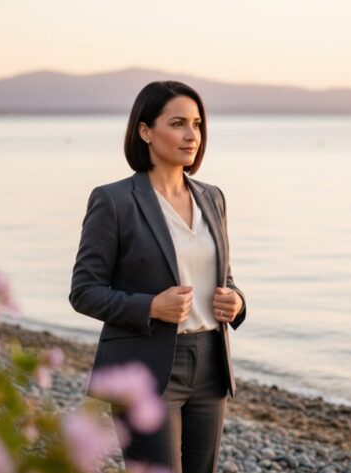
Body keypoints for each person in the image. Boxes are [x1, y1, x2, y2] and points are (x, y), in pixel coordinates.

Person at [69, 80, 247, 473]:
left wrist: (236, 301)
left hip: (210, 365)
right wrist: (150, 306)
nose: (191, 135)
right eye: (178, 123)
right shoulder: (113, 200)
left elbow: (224, 276)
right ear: (145, 131)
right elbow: (83, 291)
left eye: (197, 124)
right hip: (142, 367)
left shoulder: (212, 197)